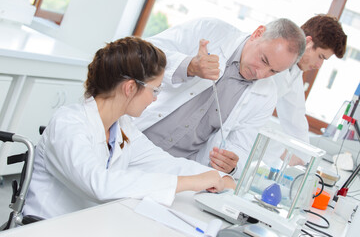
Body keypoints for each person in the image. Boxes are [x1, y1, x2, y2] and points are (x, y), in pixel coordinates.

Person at [23, 36, 235, 219]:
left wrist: (220, 178)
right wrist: (189, 182)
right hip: (46, 225)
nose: (154, 99)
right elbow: (99, 184)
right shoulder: (68, 124)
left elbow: (163, 163)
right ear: (130, 87)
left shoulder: (123, 128)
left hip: (88, 224)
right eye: (155, 90)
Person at [134, 17, 306, 178]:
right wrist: (188, 66)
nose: (260, 73)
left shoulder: (267, 95)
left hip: (176, 170)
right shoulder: (210, 31)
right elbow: (140, 53)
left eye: (273, 71)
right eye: (263, 60)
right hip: (133, 139)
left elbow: (241, 146)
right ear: (257, 33)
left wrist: (231, 167)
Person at [271, 14, 347, 166]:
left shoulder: (295, 71)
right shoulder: (273, 61)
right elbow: (252, 117)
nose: (319, 65)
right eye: (320, 56)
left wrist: (308, 162)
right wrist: (281, 153)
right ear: (309, 43)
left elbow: (296, 120)